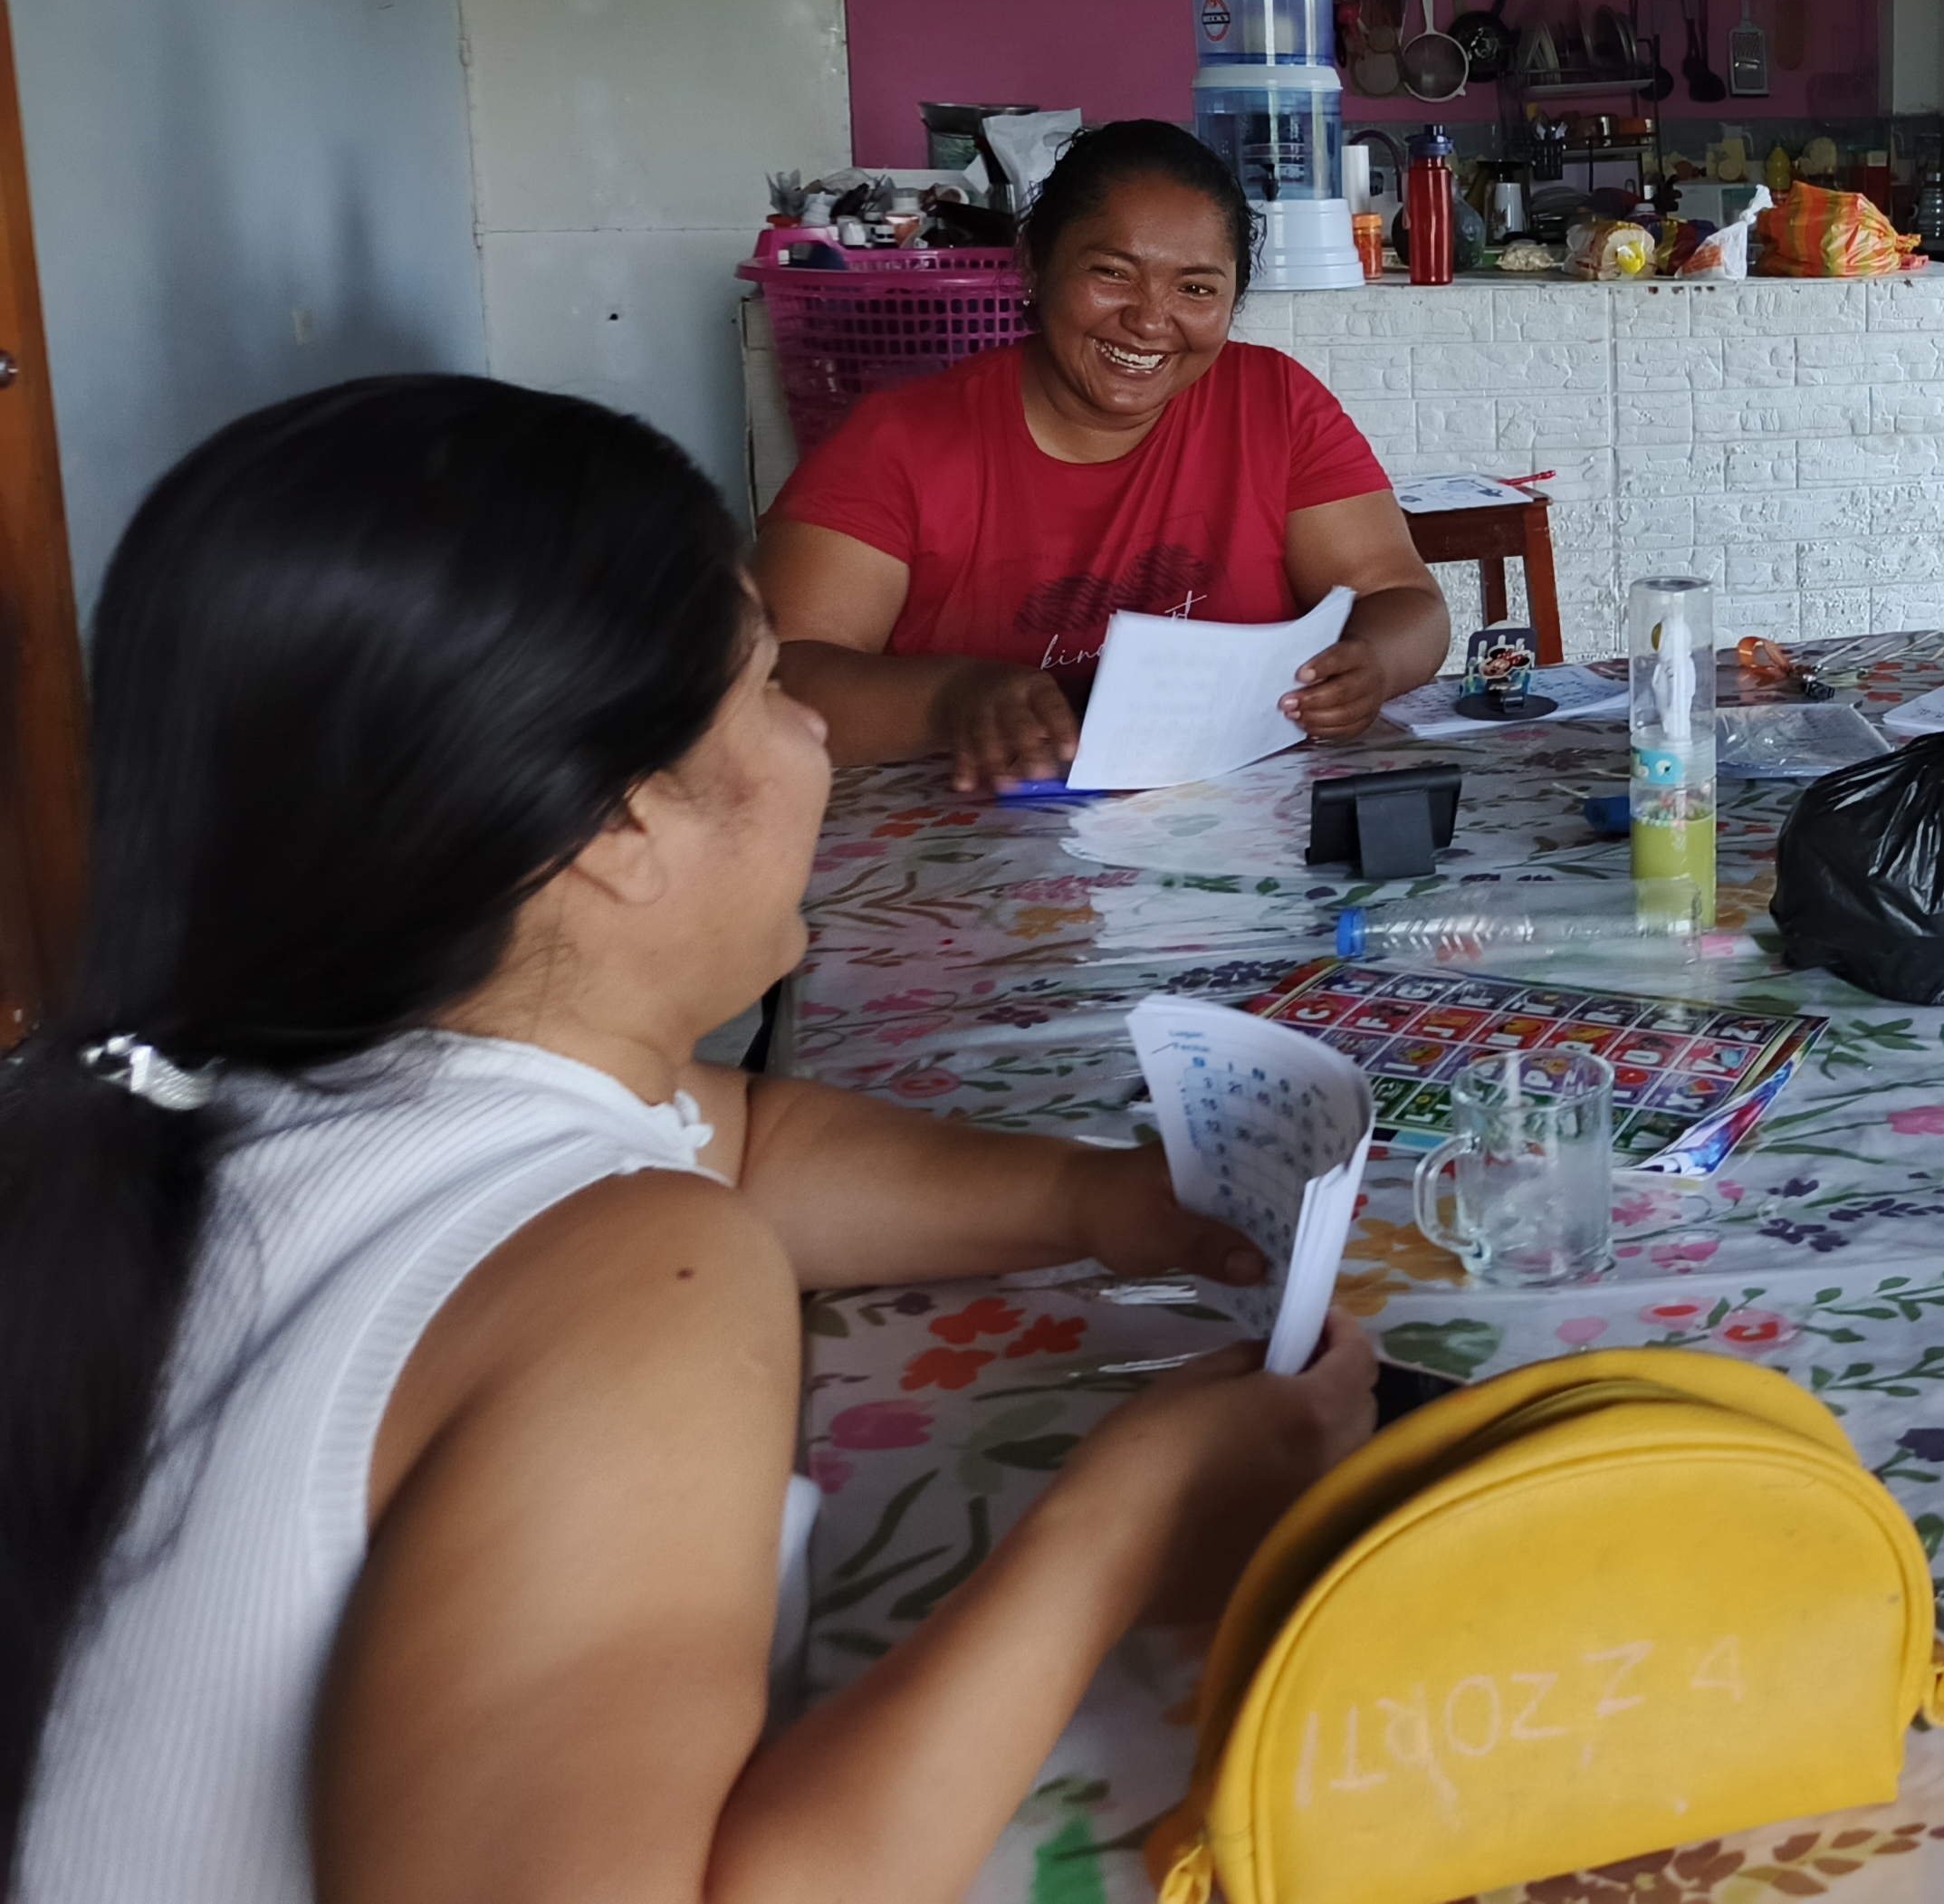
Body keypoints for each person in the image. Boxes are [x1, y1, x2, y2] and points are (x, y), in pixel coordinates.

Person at [3, 378, 1378, 1901]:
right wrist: (1124, 1528)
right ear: (617, 822)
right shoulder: (627, 1275)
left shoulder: (250, 1089)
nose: (813, 725)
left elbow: (745, 1139)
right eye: (767, 681)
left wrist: (1094, 1196)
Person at [758, 119, 1450, 793]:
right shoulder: (896, 443)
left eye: (1196, 289)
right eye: (1112, 273)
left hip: (1245, 832)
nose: (1150, 319)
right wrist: (949, 698)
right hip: (975, 847)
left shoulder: (1274, 405)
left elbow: (1404, 603)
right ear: (1035, 262)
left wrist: (1370, 665)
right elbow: (775, 681)